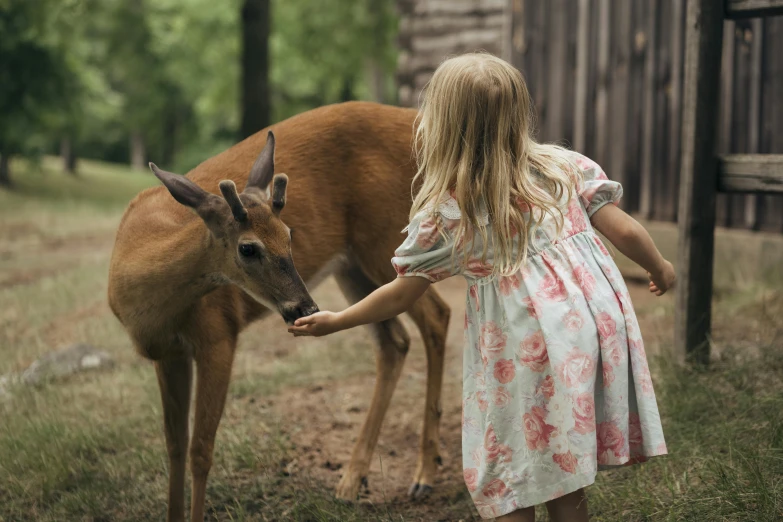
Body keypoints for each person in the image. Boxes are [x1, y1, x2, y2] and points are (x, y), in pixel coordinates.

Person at [288, 52, 673, 522]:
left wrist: (338, 320)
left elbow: (402, 292)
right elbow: (627, 232)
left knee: (511, 469)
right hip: (589, 334)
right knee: (563, 472)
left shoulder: (452, 213)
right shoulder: (562, 167)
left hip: (524, 355)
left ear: (441, 128)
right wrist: (660, 267)